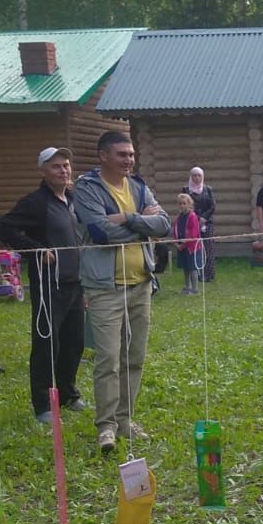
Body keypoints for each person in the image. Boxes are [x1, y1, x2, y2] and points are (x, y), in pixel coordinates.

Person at [73, 130, 170, 454]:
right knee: (108, 359)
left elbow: (165, 225)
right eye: (121, 154)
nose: (129, 160)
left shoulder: (139, 186)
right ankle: (106, 428)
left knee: (135, 357)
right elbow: (100, 232)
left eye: (131, 154)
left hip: (141, 283)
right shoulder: (88, 188)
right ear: (103, 156)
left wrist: (128, 217)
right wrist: (143, 224)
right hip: (104, 288)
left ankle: (125, 420)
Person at [0, 147, 86, 424]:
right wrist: (35, 249)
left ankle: (68, 394)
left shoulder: (72, 199)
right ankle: (43, 404)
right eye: (56, 166)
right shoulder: (35, 202)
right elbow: (4, 227)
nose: (64, 170)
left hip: (75, 283)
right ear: (43, 171)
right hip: (48, 286)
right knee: (47, 343)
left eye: (66, 165)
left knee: (75, 343)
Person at [181, 167, 216, 281]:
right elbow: (185, 205)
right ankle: (197, 274)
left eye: (199, 175)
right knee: (195, 248)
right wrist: (195, 218)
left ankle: (209, 274)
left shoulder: (208, 189)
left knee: (208, 248)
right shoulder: (186, 189)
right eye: (194, 175)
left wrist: (204, 218)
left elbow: (212, 206)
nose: (197, 178)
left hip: (207, 223)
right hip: (192, 222)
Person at [174, 193, 203, 295]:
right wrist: (176, 243)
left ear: (189, 204)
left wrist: (184, 244)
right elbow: (176, 230)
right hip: (181, 247)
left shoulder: (192, 216)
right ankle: (187, 286)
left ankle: (195, 289)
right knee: (185, 268)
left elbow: (193, 233)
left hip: (191, 247)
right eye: (180, 204)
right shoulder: (179, 217)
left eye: (184, 203)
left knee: (192, 267)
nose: (182, 206)